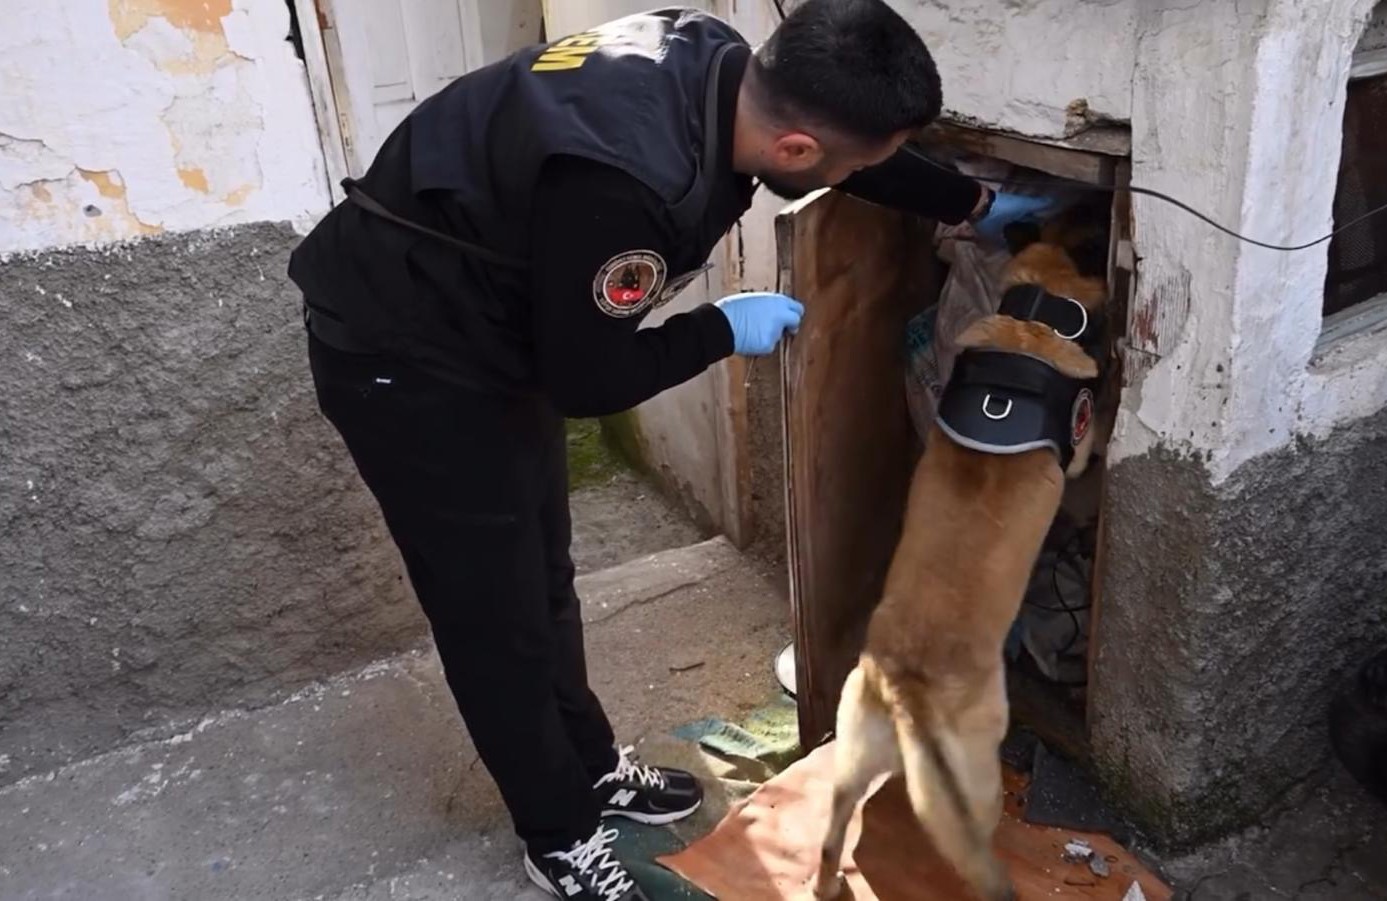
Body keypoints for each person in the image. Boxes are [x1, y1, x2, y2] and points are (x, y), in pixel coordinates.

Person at [286, 1, 1059, 898]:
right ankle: (558, 833)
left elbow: (851, 156)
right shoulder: (625, 185)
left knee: (540, 573)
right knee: (490, 616)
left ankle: (588, 766)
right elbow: (587, 381)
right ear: (798, 152)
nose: (859, 172)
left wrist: (973, 202)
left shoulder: (722, 59)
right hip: (408, 355)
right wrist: (719, 329)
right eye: (852, 162)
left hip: (494, 321)